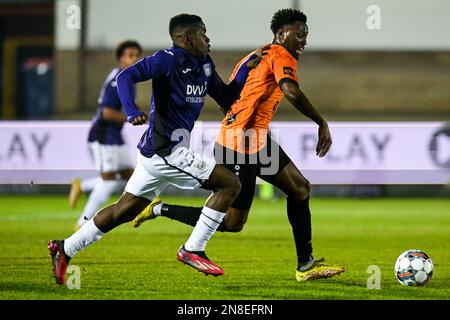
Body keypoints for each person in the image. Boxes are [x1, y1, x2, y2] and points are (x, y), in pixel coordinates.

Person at [48, 13, 267, 285]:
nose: (208, 38)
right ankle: (192, 248)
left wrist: (246, 69)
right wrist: (131, 111)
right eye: (203, 33)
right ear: (186, 38)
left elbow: (225, 96)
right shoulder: (167, 59)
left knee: (124, 211)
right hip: (167, 150)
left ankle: (64, 248)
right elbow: (126, 77)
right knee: (230, 185)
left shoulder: (204, 64)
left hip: (160, 152)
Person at [133, 9, 346, 282]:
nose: (304, 40)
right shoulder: (281, 55)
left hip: (254, 140)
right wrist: (321, 122)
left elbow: (231, 97)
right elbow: (290, 89)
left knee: (300, 188)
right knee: (233, 223)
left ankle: (305, 265)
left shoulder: (253, 55)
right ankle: (160, 209)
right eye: (299, 34)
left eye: (306, 35)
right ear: (281, 34)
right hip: (238, 143)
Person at [68, 40, 143, 230]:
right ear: (121, 58)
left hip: (115, 136)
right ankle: (82, 223)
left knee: (131, 175)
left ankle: (83, 186)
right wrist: (132, 117)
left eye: (136, 54)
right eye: (130, 55)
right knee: (109, 182)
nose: (134, 58)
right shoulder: (117, 79)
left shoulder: (127, 77)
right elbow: (106, 112)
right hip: (103, 136)